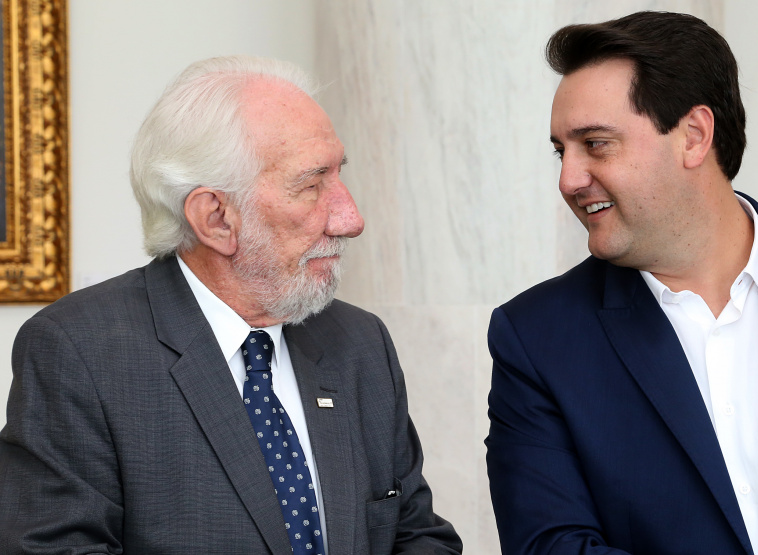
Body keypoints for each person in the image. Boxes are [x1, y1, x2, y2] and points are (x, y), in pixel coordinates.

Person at [486, 11, 758, 555]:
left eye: (595, 144)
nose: (569, 179)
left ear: (693, 136)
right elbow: (551, 546)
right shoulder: (535, 340)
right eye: (561, 151)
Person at [0, 55, 462, 555]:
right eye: (311, 185)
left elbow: (417, 534)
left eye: (338, 175)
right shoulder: (81, 352)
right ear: (216, 218)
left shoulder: (359, 342)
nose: (350, 218)